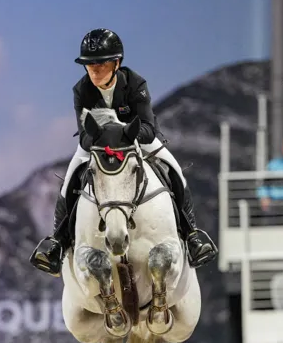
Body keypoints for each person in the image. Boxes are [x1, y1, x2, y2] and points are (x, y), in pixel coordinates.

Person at [30, 29, 217, 276]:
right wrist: (106, 138)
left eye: (100, 64)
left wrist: (121, 137)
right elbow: (85, 136)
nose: (94, 71)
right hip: (98, 145)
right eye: (89, 65)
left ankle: (192, 234)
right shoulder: (81, 90)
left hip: (137, 140)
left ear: (116, 63)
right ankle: (57, 242)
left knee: (173, 170)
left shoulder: (135, 84)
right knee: (72, 176)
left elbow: (148, 129)